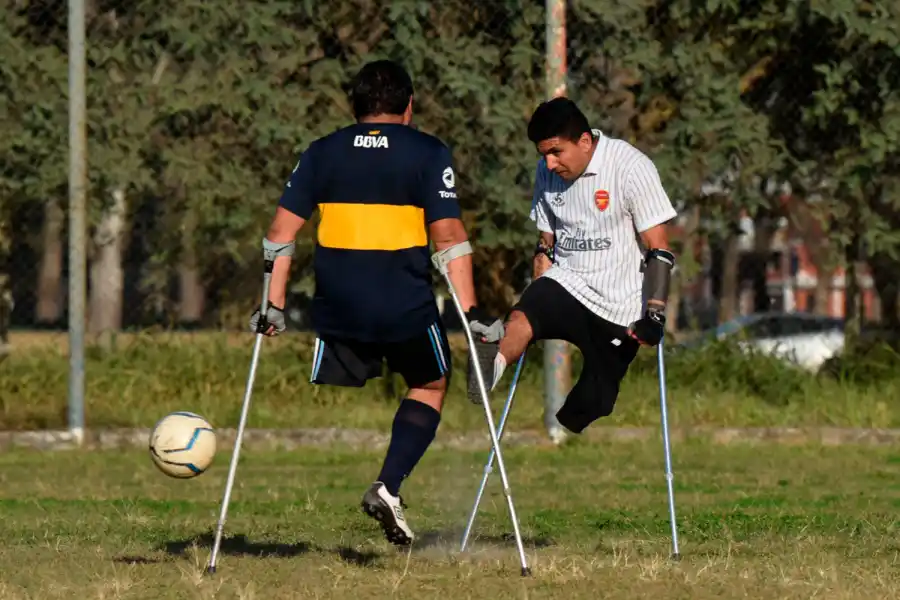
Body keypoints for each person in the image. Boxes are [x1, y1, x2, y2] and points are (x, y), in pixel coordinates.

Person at [250, 60, 502, 546]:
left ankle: (388, 489)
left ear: (355, 106)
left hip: (337, 305)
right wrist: (470, 314)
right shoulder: (429, 151)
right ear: (409, 107)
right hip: (402, 299)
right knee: (431, 381)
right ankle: (389, 485)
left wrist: (274, 304)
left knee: (404, 369)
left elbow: (280, 235)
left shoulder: (321, 152)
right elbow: (448, 240)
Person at [468, 97, 678, 436]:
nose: (549, 164)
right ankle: (490, 364)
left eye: (555, 152)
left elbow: (659, 248)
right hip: (567, 282)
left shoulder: (630, 167)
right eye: (543, 155)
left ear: (584, 141)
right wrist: (538, 280)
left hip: (618, 307)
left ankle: (565, 427)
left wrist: (654, 315)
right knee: (525, 317)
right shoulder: (546, 171)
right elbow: (546, 237)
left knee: (596, 400)